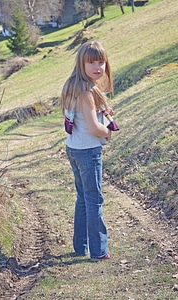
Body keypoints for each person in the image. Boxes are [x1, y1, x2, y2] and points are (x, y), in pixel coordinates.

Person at [61, 41, 114, 262]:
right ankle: (99, 250)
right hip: (88, 151)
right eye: (91, 62)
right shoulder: (86, 91)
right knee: (94, 200)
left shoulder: (71, 84)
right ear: (81, 63)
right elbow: (93, 127)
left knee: (83, 198)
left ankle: (81, 246)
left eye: (101, 61)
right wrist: (107, 133)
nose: (97, 67)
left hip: (73, 147)